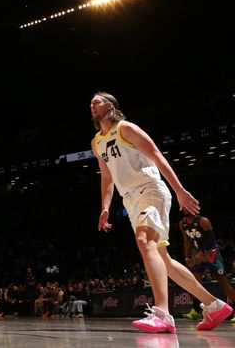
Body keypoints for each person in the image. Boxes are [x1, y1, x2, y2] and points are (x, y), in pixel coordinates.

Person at [91, 92, 232, 333]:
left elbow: (156, 155)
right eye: (91, 103)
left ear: (111, 106)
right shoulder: (96, 142)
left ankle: (163, 314)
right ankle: (214, 305)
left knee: (144, 241)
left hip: (151, 189)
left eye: (98, 101)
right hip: (130, 200)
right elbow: (107, 177)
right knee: (163, 260)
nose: (92, 105)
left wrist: (179, 191)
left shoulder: (126, 128)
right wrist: (105, 207)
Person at [179, 211, 235, 321]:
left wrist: (202, 253)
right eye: (184, 207)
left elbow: (211, 241)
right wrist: (187, 257)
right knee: (194, 282)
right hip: (197, 253)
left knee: (223, 282)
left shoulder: (203, 221)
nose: (186, 209)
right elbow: (186, 241)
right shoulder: (182, 223)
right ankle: (195, 310)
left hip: (211, 253)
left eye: (188, 207)